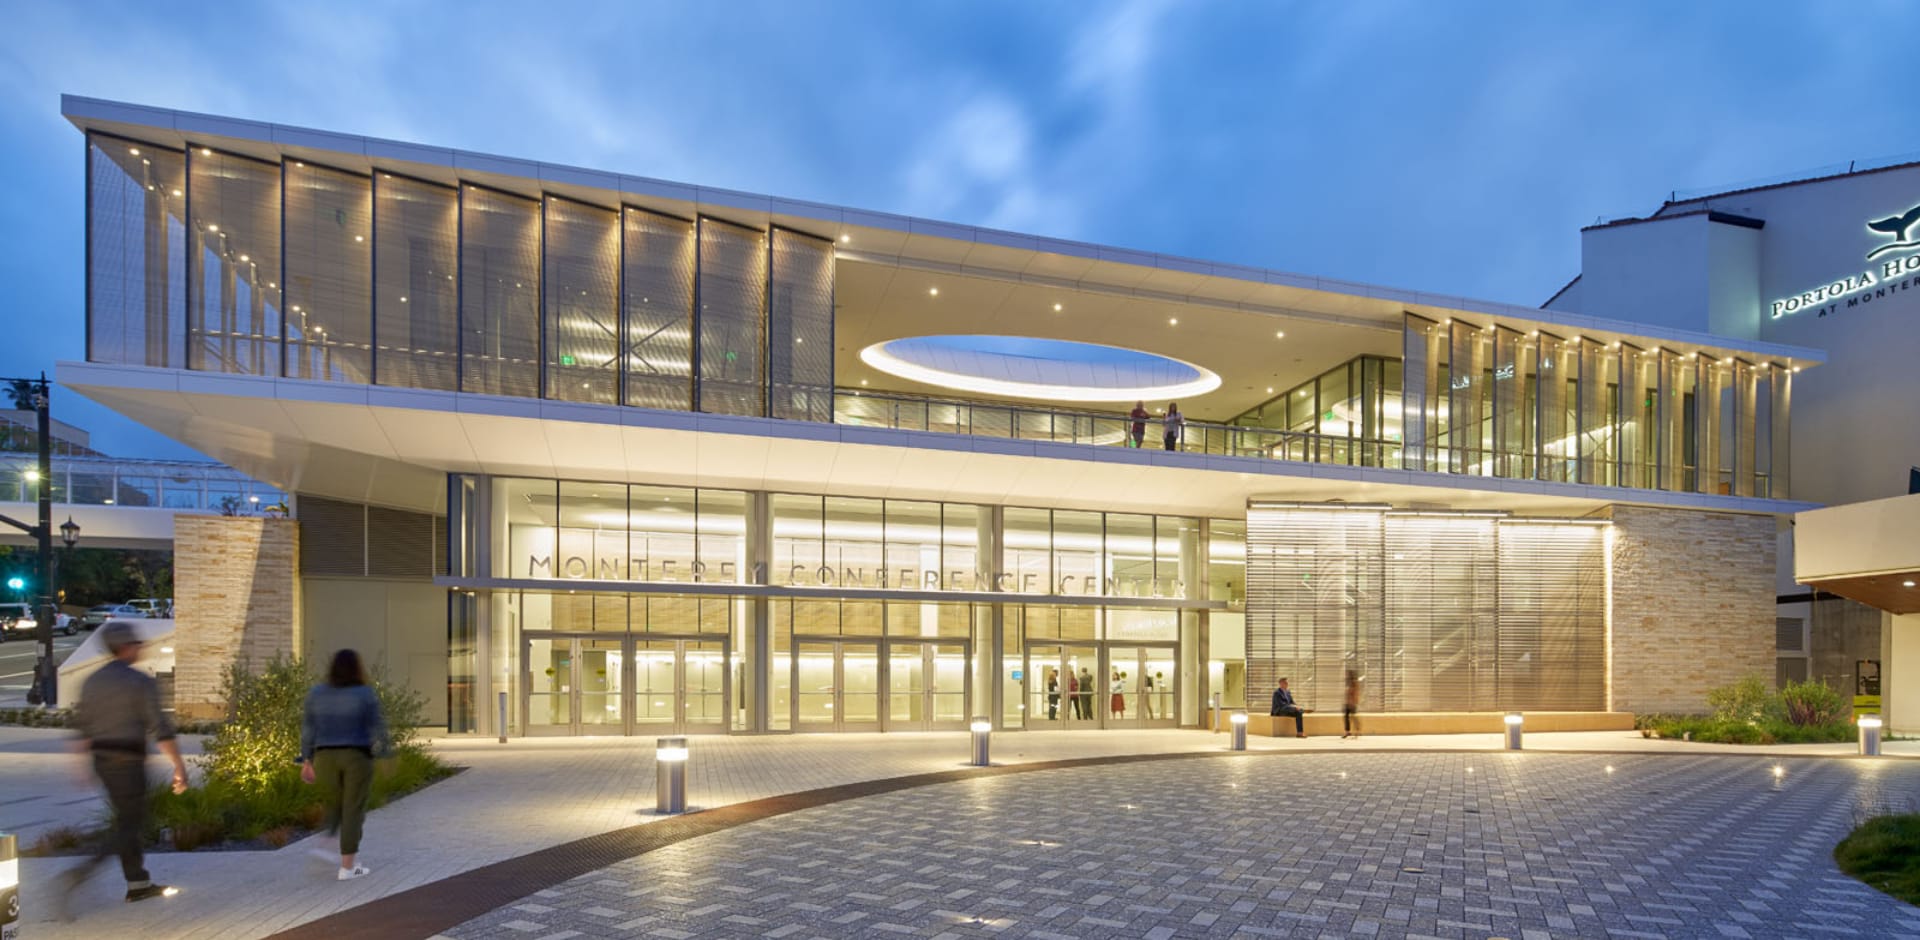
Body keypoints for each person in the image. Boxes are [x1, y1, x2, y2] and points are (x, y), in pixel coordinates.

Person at [62, 620, 189, 912]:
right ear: (126, 647)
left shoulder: (92, 681)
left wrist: (80, 767)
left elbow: (82, 728)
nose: (141, 647)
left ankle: (138, 884)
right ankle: (81, 872)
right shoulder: (139, 682)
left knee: (126, 820)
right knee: (131, 823)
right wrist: (179, 767)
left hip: (102, 762)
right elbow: (161, 729)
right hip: (128, 761)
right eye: (137, 643)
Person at [301, 649, 391, 881]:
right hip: (356, 757)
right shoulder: (364, 693)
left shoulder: (317, 693)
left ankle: (325, 845)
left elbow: (309, 729)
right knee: (352, 810)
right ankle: (347, 867)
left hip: (324, 757)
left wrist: (306, 760)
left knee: (333, 805)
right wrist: (386, 754)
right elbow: (378, 727)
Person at [1342, 670, 1363, 739]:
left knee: (1353, 718)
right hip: (1348, 703)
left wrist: (1354, 702)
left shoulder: (1354, 683)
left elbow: (1356, 693)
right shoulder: (1349, 683)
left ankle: (1357, 731)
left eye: (1348, 675)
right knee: (1346, 717)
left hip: (1352, 703)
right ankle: (1347, 731)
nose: (1346, 676)